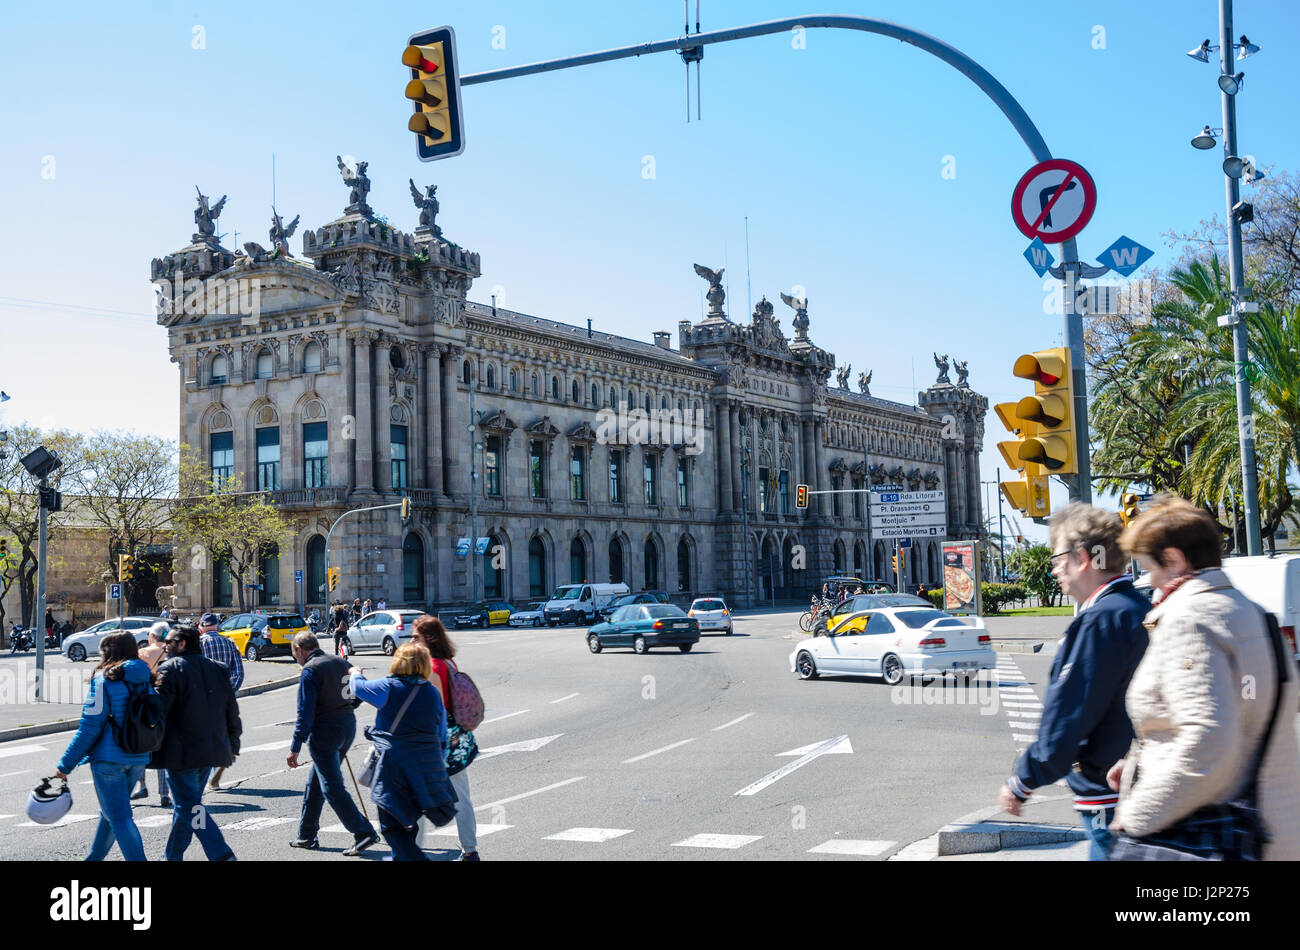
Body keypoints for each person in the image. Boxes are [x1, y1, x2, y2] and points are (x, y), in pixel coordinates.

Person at [1106, 497, 1300, 860]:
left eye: (1152, 572)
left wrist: (1137, 812)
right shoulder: (1256, 615)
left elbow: (1207, 738)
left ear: (1176, 560)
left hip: (1211, 838)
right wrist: (1138, 764)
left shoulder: (1190, 620)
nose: (1152, 589)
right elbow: (1249, 714)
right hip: (1276, 829)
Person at [998, 502, 1150, 860]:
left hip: (1109, 796)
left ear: (1082, 558)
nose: (1054, 570)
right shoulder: (1137, 608)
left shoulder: (1099, 621)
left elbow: (1070, 715)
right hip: (1137, 785)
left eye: (1058, 559)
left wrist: (1023, 780)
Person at [347, 644, 457, 860]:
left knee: (391, 826)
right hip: (426, 766)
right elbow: (441, 734)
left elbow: (359, 688)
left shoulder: (389, 687)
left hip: (395, 767)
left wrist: (355, 673)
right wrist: (438, 765)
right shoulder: (431, 693)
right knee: (409, 822)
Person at [52, 632, 153, 861]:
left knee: (119, 816)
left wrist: (65, 765)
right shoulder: (145, 676)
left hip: (109, 759)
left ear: (109, 653)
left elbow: (89, 726)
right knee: (112, 813)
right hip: (138, 755)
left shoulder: (103, 681)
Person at [285, 631, 379, 856]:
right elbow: (357, 693)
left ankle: (363, 832)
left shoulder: (310, 670)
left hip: (324, 732)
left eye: (294, 654)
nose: (295, 658)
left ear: (300, 649)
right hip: (347, 725)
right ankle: (306, 835)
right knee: (317, 782)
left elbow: (304, 713)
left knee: (331, 787)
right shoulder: (341, 661)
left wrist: (295, 746)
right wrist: (345, 708)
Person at [152, 624, 241, 862]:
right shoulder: (218, 669)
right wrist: (233, 743)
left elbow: (157, 710)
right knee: (187, 807)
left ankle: (221, 854)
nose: (165, 646)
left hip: (182, 752)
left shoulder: (170, 669)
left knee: (189, 807)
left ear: (181, 644)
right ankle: (172, 856)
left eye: (169, 642)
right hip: (212, 749)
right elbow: (231, 709)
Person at [410, 616, 479, 861]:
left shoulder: (433, 666)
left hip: (437, 741)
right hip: (456, 738)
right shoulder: (449, 662)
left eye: (415, 636)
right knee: (461, 797)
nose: (411, 640)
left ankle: (412, 852)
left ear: (427, 638)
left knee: (415, 797)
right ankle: (469, 850)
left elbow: (434, 708)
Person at [197, 611, 243, 790]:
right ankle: (220, 769)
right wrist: (230, 692)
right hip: (226, 696)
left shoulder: (200, 643)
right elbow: (238, 671)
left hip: (205, 697)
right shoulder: (229, 642)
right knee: (226, 734)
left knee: (206, 736)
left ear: (202, 627)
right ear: (217, 625)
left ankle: (205, 775)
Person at [131, 623, 172, 807]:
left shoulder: (143, 653)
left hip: (147, 704)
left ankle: (142, 785)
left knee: (143, 747)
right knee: (162, 748)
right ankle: (164, 793)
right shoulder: (173, 652)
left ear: (153, 636)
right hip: (167, 704)